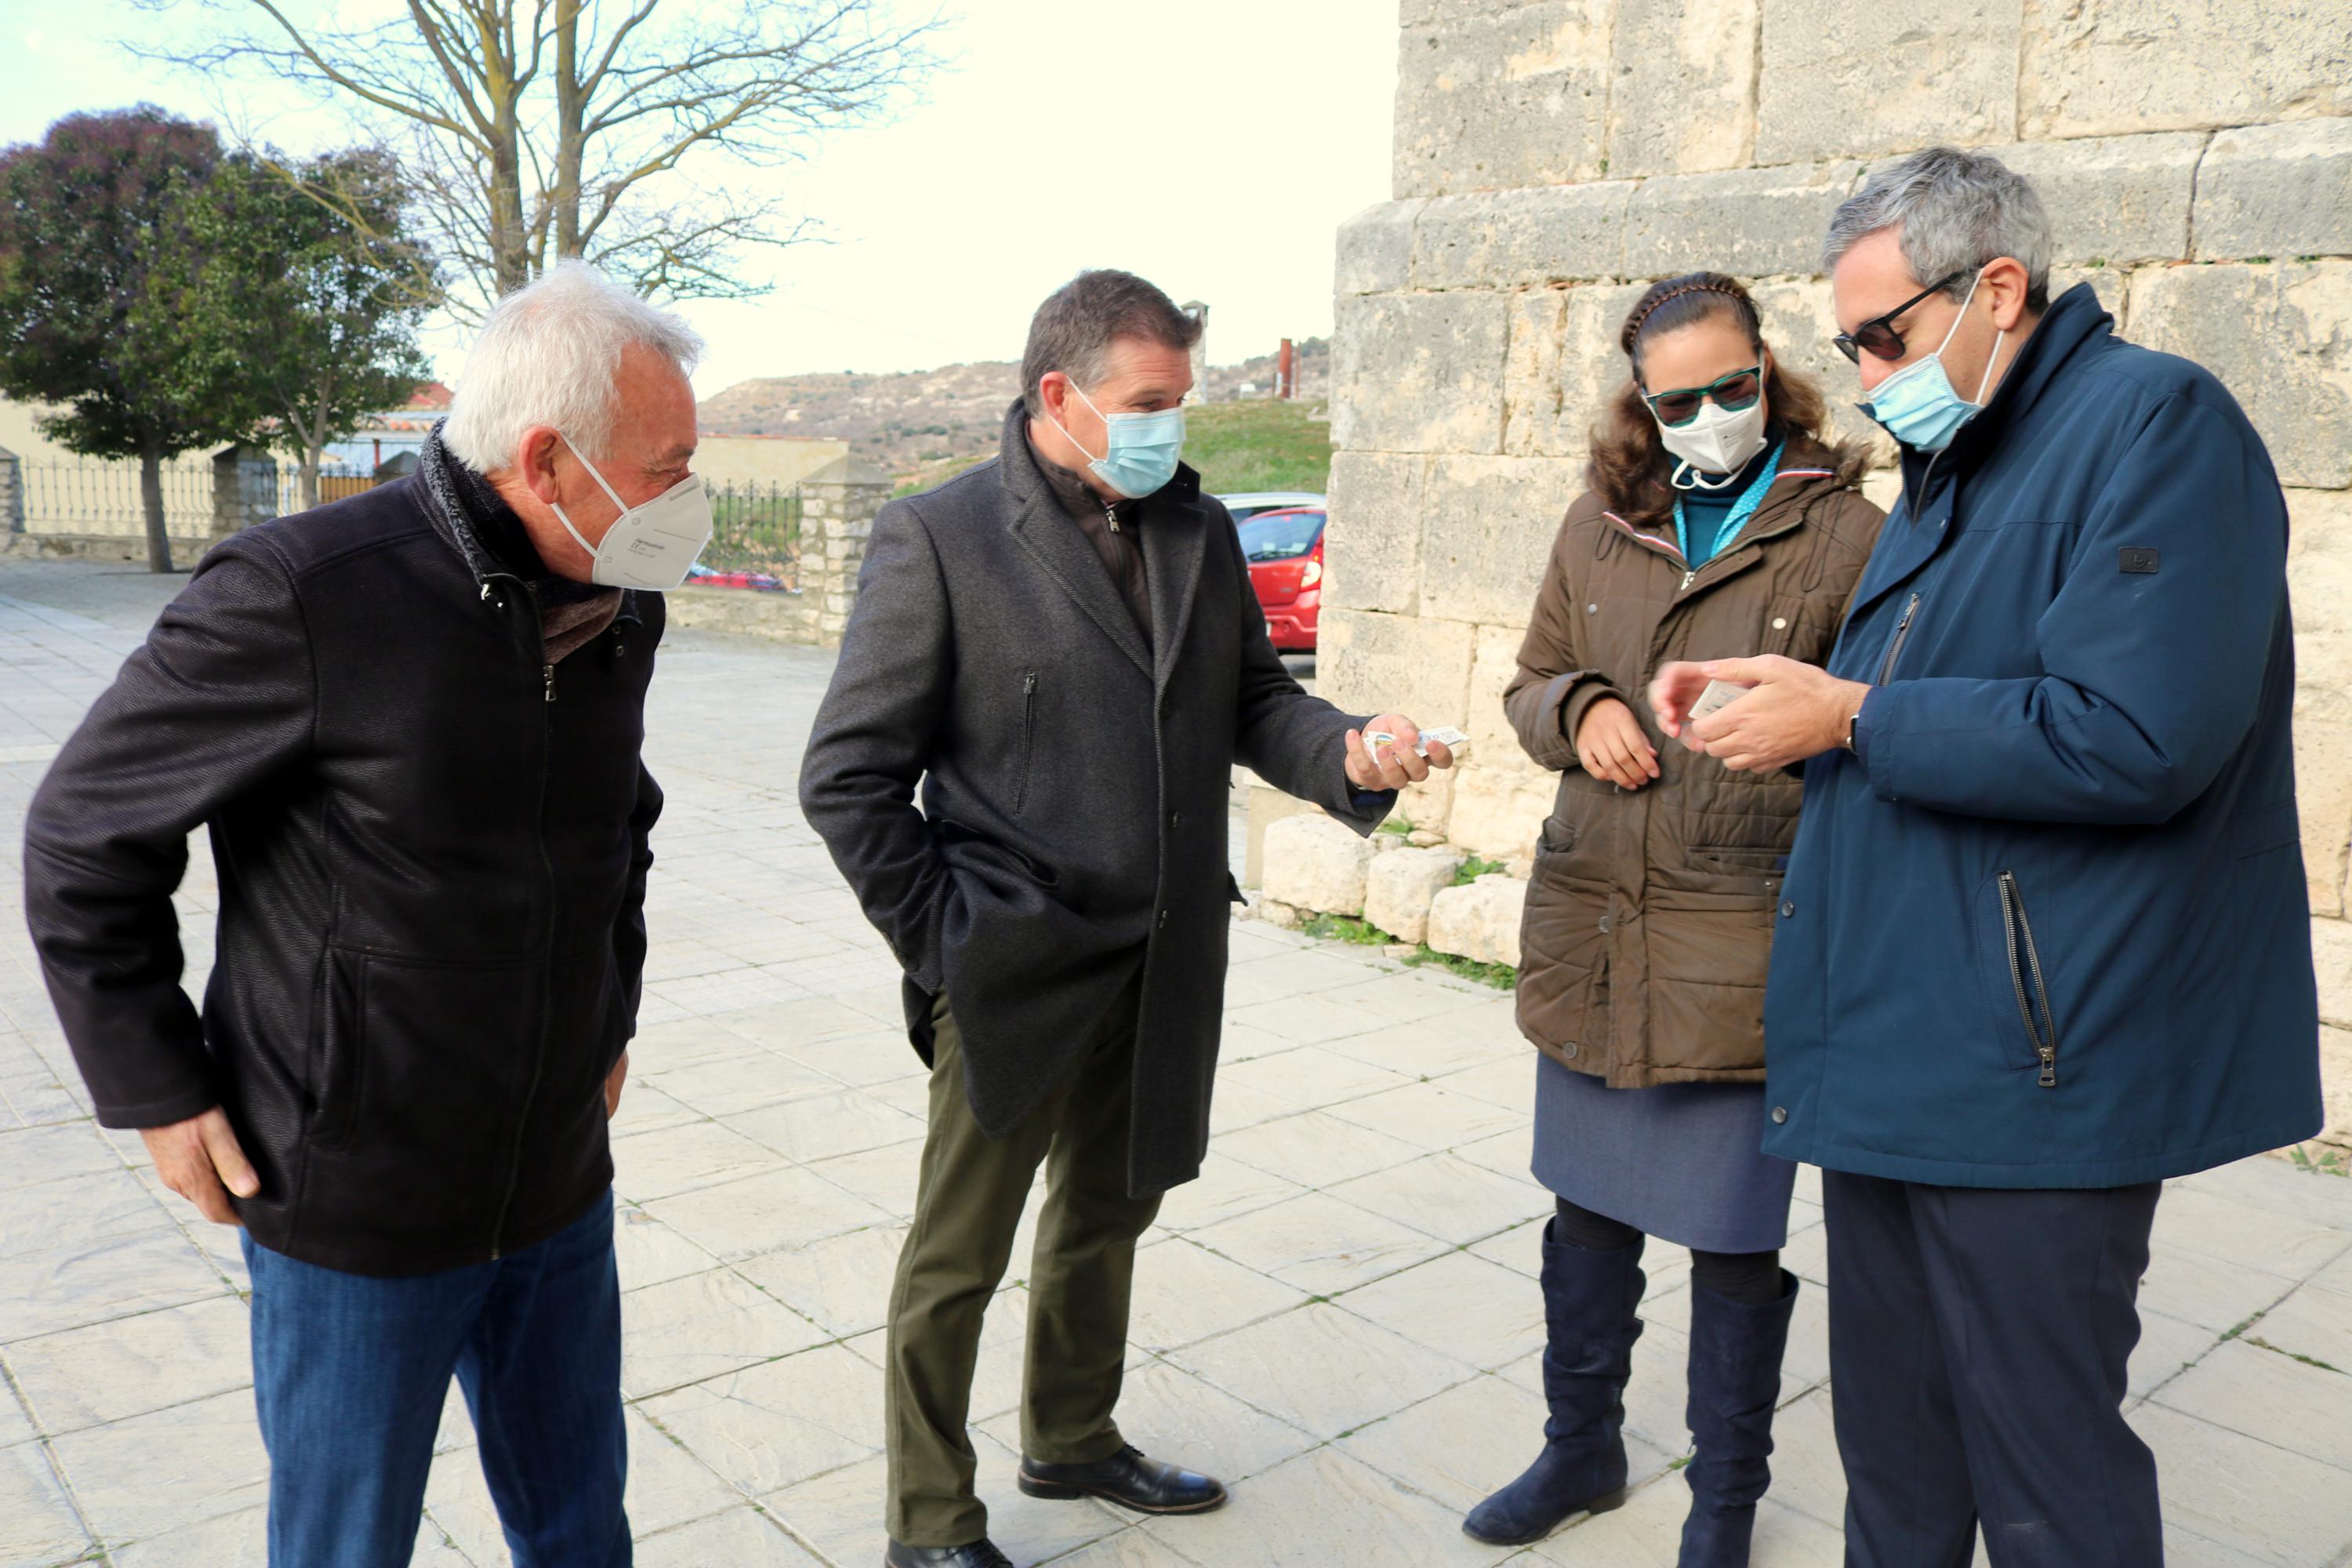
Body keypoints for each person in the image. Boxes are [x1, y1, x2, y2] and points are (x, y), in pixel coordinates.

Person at [1650, 147, 2321, 1567]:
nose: (1871, 367)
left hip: (2033, 1068)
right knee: (1894, 1454)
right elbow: (1916, 688)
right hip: (1907, 1051)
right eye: (1852, 345)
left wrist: (1854, 716)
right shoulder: (1967, 456)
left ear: (1996, 288)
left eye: (1885, 335)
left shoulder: (2155, 426)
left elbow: (2135, 735)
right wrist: (1782, 702)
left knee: (2043, 1469)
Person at [23, 260, 710, 1568]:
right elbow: (83, 834)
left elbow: (617, 818)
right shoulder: (306, 588)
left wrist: (606, 1016)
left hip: (559, 1179)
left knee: (579, 1526)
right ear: (552, 460)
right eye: (668, 463)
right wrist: (159, 1089)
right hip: (356, 1197)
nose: (689, 496)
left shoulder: (622, 601)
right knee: (348, 1544)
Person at [798, 268, 1456, 1568]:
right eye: (1148, 402)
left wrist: (1353, 754)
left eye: (1181, 401)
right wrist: (948, 942)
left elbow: (1255, 701)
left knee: (1112, 1208)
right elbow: (847, 778)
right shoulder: (939, 538)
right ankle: (930, 1517)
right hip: (1014, 965)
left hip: (1165, 958)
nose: (1173, 427)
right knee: (958, 1254)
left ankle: (1074, 1436)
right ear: (1060, 394)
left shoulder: (1192, 533)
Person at [1475, 273, 1884, 1562]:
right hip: (1595, 926)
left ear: (1769, 366)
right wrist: (1582, 709)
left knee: (1731, 1244)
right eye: (1679, 399)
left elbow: (1880, 721)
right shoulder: (1600, 524)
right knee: (1584, 1219)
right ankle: (1579, 1448)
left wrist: (1813, 726)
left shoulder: (1849, 533)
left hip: (1739, 939)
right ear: (1640, 405)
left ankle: (1725, 1506)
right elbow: (1533, 678)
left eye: (1732, 385)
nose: (1710, 413)